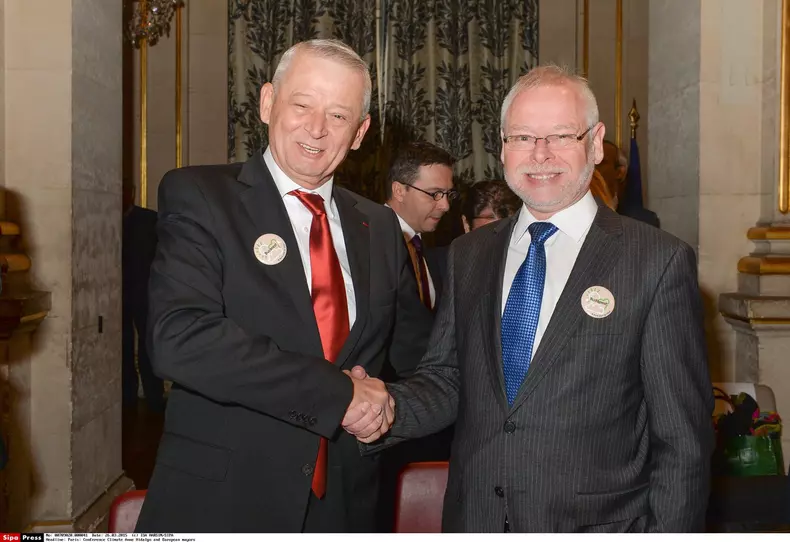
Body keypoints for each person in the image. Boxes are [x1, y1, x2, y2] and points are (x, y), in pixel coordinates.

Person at [344, 65, 714, 532]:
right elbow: (449, 379)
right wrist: (381, 409)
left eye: (561, 135)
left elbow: (682, 440)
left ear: (596, 143)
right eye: (522, 137)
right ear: (502, 147)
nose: (540, 154)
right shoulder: (468, 254)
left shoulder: (657, 261)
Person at [136, 39, 431, 533]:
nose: (316, 129)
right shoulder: (201, 195)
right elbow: (179, 338)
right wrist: (340, 395)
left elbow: (422, 356)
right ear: (268, 102)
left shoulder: (380, 226)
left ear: (360, 132)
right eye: (302, 105)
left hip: (344, 508)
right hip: (223, 502)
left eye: (338, 115)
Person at [385, 141, 456, 311]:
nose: (445, 206)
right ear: (399, 191)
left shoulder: (430, 248)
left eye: (448, 194)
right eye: (434, 194)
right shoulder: (367, 241)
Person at [122, 179, 164, 413]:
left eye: (125, 190)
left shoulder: (150, 220)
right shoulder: (104, 218)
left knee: (149, 345)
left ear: (132, 192)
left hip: (146, 292)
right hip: (115, 295)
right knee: (122, 344)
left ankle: (154, 396)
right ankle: (126, 396)